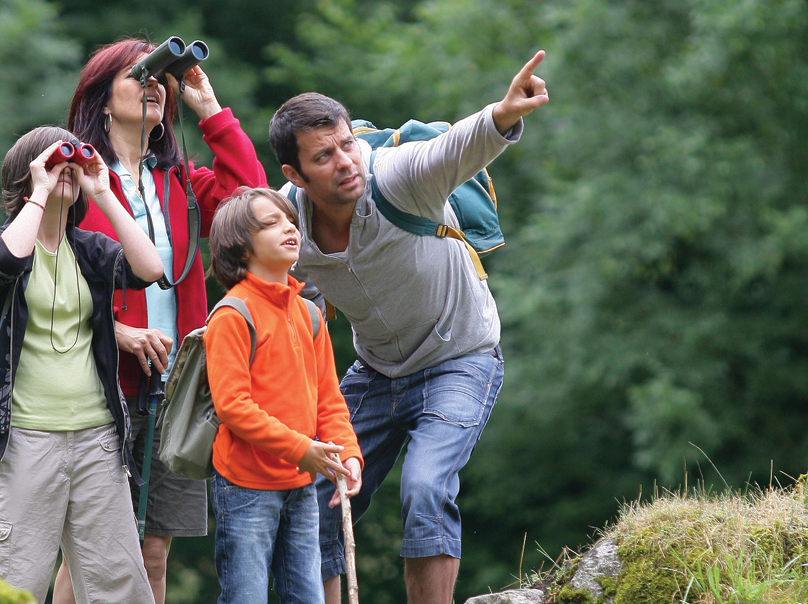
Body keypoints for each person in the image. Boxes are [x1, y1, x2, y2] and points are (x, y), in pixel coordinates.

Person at [268, 52, 550, 604]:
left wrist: (504, 113)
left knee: (424, 487)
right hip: (376, 371)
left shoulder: (397, 178)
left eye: (348, 143)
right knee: (318, 492)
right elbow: (259, 278)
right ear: (295, 175)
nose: (346, 161)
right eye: (324, 156)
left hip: (461, 358)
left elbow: (456, 148)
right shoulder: (285, 223)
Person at [54, 38, 268, 604]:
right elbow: (42, 277)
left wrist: (210, 112)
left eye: (159, 77)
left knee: (153, 550)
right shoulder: (74, 177)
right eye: (137, 75)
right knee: (92, 552)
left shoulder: (177, 181)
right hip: (100, 385)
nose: (153, 84)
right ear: (101, 99)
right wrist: (113, 331)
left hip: (174, 387)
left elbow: (253, 206)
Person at [0, 125, 165, 604]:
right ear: (27, 176)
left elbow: (150, 270)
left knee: (120, 585)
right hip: (24, 442)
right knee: (11, 586)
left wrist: (101, 188)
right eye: (56, 164)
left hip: (97, 440)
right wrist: (39, 191)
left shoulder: (89, 250)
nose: (65, 173)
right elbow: (3, 265)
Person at [203, 186, 362, 604]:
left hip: (301, 482)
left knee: (308, 598)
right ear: (240, 247)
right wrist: (302, 450)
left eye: (290, 219)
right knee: (246, 597)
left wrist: (346, 454)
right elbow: (233, 407)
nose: (289, 227)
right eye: (271, 223)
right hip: (245, 486)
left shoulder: (308, 312)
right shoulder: (232, 314)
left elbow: (329, 400)